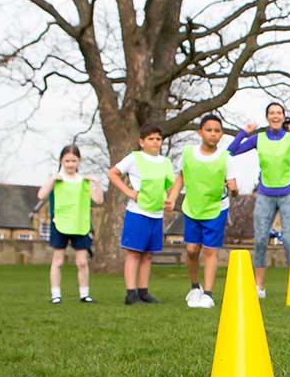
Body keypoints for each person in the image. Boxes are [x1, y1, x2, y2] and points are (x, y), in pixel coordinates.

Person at [227, 102, 290, 299]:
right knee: (259, 239)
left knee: (287, 238)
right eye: (271, 113)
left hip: (289, 194)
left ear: (284, 117)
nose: (275, 116)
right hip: (265, 195)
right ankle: (259, 286)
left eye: (279, 113)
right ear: (267, 117)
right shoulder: (258, 139)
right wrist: (244, 133)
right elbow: (230, 152)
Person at [165, 114, 238, 310]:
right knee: (191, 250)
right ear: (200, 132)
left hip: (216, 209)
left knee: (210, 250)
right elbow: (181, 178)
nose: (213, 134)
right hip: (193, 208)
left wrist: (233, 188)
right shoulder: (188, 153)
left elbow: (234, 190)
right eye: (209, 130)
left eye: (217, 131)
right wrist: (171, 199)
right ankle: (195, 287)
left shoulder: (225, 158)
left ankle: (208, 293)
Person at [107, 124, 176, 305]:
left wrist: (171, 200)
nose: (155, 142)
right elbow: (113, 174)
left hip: (157, 213)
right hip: (138, 212)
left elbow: (170, 186)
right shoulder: (134, 158)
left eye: (158, 139)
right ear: (141, 141)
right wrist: (129, 192)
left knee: (148, 254)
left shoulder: (165, 162)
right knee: (134, 253)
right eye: (151, 139)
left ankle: (143, 291)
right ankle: (131, 293)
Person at [38, 144, 103, 304]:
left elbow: (99, 200)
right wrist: (51, 179)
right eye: (67, 160)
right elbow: (41, 195)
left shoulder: (83, 181)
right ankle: (55, 295)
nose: (70, 164)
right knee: (58, 261)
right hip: (59, 223)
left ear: (79, 161)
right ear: (61, 161)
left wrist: (96, 182)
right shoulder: (56, 179)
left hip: (80, 225)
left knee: (82, 262)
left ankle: (84, 294)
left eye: (74, 160)